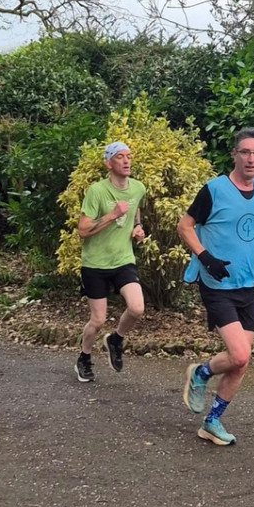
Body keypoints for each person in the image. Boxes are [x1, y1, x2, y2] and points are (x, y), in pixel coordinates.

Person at [177, 127, 254, 447]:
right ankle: (201, 374)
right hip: (216, 282)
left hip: (248, 284)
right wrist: (205, 257)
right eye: (245, 152)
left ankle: (212, 421)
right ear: (235, 155)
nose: (251, 158)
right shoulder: (213, 190)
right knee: (240, 354)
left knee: (241, 362)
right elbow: (184, 227)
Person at [73, 141, 147, 383]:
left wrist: (137, 227)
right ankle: (84, 357)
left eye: (129, 156)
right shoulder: (97, 191)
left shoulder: (138, 188)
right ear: (109, 163)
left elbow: (135, 210)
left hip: (123, 259)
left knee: (137, 307)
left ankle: (116, 339)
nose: (126, 161)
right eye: (119, 157)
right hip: (95, 263)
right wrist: (112, 215)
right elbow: (83, 231)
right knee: (98, 320)